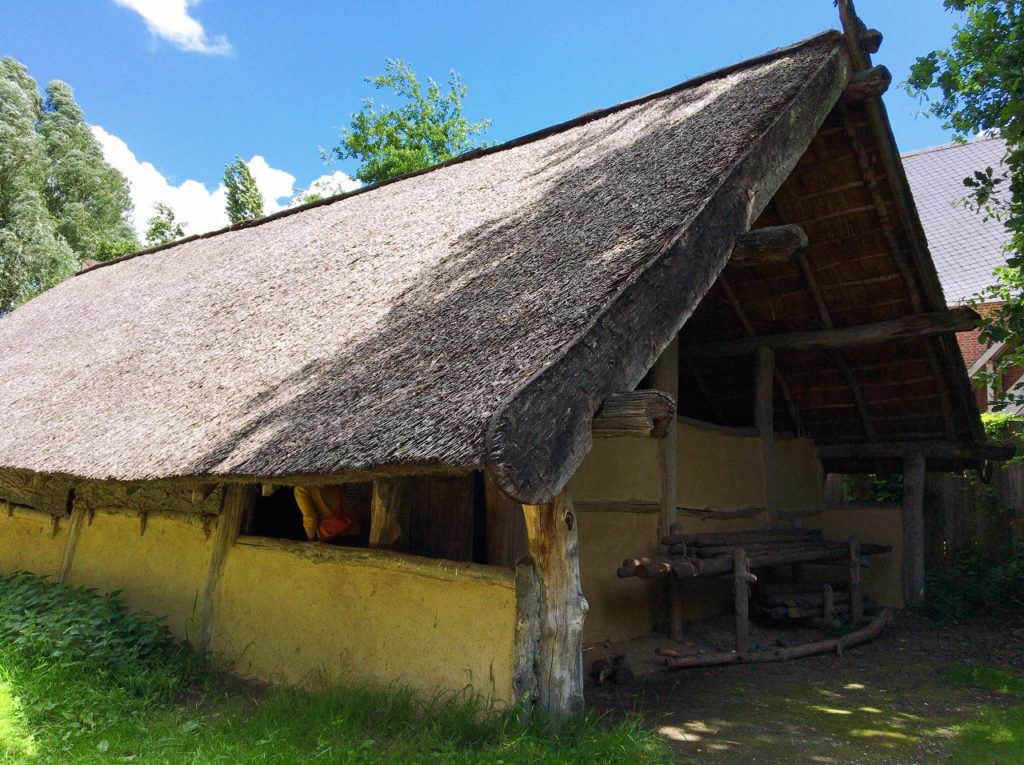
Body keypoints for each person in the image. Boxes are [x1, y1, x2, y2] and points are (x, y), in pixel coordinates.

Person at [293, 485, 359, 542]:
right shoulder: (328, 478)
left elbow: (310, 517)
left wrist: (311, 538)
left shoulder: (301, 488)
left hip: (331, 536)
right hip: (350, 527)